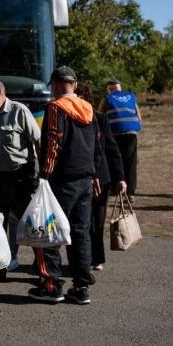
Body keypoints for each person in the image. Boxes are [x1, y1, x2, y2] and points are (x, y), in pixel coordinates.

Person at [31, 66, 101, 305]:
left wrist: (44, 176)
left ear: (56, 84)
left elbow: (53, 142)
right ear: (75, 84)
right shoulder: (89, 108)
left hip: (60, 181)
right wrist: (94, 176)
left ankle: (51, 285)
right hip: (85, 179)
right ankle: (81, 287)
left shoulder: (55, 108)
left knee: (48, 232)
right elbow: (97, 146)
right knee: (80, 233)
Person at [0, 77, 40, 285]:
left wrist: (41, 177)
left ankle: (43, 268)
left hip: (21, 177)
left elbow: (38, 141)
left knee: (31, 225)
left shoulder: (19, 111)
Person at [77, 83, 126, 272]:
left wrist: (120, 178)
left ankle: (96, 258)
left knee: (97, 220)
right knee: (82, 221)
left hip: (102, 178)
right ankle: (84, 257)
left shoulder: (100, 119)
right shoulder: (68, 117)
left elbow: (112, 149)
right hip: (80, 176)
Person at [99, 79, 142, 204]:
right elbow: (138, 116)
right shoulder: (131, 97)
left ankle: (115, 187)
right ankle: (131, 193)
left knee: (114, 160)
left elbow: (100, 116)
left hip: (114, 133)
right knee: (131, 162)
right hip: (131, 133)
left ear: (109, 88)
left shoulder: (108, 98)